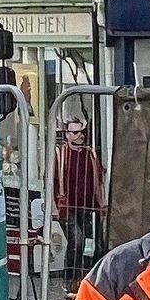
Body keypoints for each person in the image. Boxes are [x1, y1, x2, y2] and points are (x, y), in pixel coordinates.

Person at [52, 117, 105, 281]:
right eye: (75, 132)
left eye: (81, 132)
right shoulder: (60, 154)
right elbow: (51, 181)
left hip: (89, 207)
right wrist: (53, 207)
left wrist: (102, 203)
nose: (79, 136)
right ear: (67, 135)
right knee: (77, 242)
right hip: (67, 207)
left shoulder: (91, 154)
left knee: (94, 244)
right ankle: (70, 280)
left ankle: (84, 279)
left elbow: (99, 180)